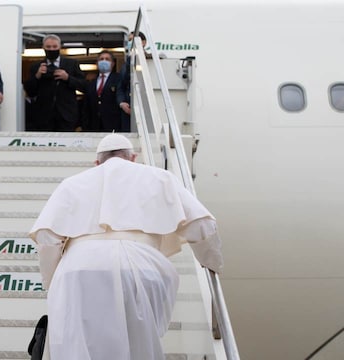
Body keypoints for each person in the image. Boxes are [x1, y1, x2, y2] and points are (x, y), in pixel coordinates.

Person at [29, 133, 223, 360]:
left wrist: (53, 283)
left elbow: (47, 238)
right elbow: (203, 225)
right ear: (133, 158)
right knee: (138, 351)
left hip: (78, 269)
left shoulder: (72, 183)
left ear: (96, 163)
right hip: (143, 266)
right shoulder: (160, 177)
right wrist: (213, 265)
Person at [24, 34, 87, 131]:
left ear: (60, 47)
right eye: (48, 47)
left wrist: (68, 78)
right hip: (43, 117)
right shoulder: (36, 66)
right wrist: (37, 76)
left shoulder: (71, 64)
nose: (51, 49)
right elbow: (30, 91)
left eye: (54, 47)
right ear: (43, 48)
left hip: (66, 115)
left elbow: (84, 86)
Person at [82, 50, 123, 132]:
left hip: (113, 125)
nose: (104, 61)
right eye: (101, 59)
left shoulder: (119, 79)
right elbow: (86, 105)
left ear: (113, 63)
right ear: (97, 63)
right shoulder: (91, 82)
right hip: (93, 126)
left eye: (107, 59)